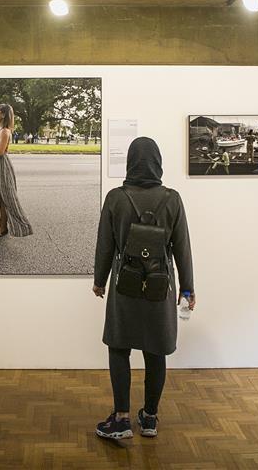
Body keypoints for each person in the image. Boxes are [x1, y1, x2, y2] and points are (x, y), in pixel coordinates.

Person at [92, 137, 194, 440]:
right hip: (160, 285)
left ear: (130, 162)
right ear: (157, 163)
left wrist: (100, 280)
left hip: (125, 284)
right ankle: (149, 418)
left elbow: (105, 245)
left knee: (119, 347)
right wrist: (187, 288)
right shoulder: (172, 199)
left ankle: (121, 419)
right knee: (155, 351)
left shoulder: (115, 198)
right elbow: (183, 248)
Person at [0, 104, 33, 238]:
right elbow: (1, 148)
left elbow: (0, 152)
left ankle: (4, 228)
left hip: (2, 166)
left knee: (4, 197)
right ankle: (2, 221)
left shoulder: (5, 131)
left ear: (3, 115)